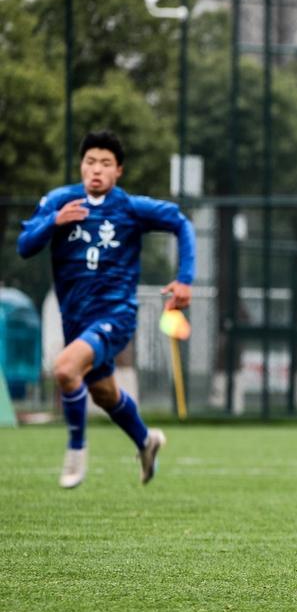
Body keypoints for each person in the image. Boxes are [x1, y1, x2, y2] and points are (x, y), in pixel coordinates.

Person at [17, 130, 195, 489]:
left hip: (116, 314)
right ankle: (146, 441)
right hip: (75, 319)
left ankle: (76, 452)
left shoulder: (130, 208)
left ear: (118, 171)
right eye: (90, 162)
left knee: (65, 368)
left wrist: (185, 279)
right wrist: (53, 222)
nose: (97, 169)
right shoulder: (59, 201)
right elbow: (24, 245)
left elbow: (180, 222)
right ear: (81, 166)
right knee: (104, 393)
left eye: (105, 163)